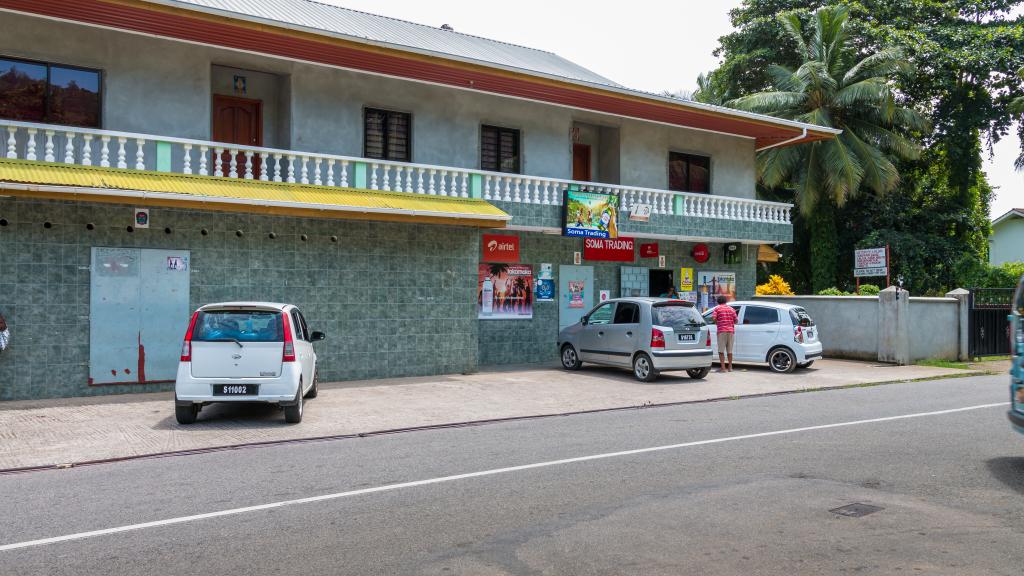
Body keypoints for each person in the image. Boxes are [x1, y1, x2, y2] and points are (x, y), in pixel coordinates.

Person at [711, 295, 737, 372]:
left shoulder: (717, 309)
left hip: (722, 331)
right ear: (725, 301)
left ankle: (723, 368)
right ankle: (730, 367)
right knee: (730, 351)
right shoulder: (732, 309)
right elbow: (736, 320)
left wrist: (717, 323)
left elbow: (714, 318)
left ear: (718, 302)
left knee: (721, 350)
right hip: (731, 331)